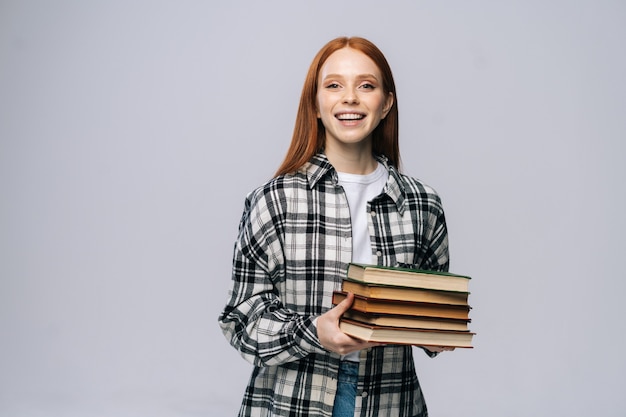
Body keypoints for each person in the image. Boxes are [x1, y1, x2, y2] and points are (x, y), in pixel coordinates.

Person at [218, 36, 452, 417]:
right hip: (293, 402)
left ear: (386, 103)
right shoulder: (273, 201)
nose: (350, 98)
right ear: (315, 104)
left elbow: (431, 316)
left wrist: (438, 332)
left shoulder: (423, 204)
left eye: (366, 85)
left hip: (391, 402)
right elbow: (241, 323)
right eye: (333, 85)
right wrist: (314, 332)